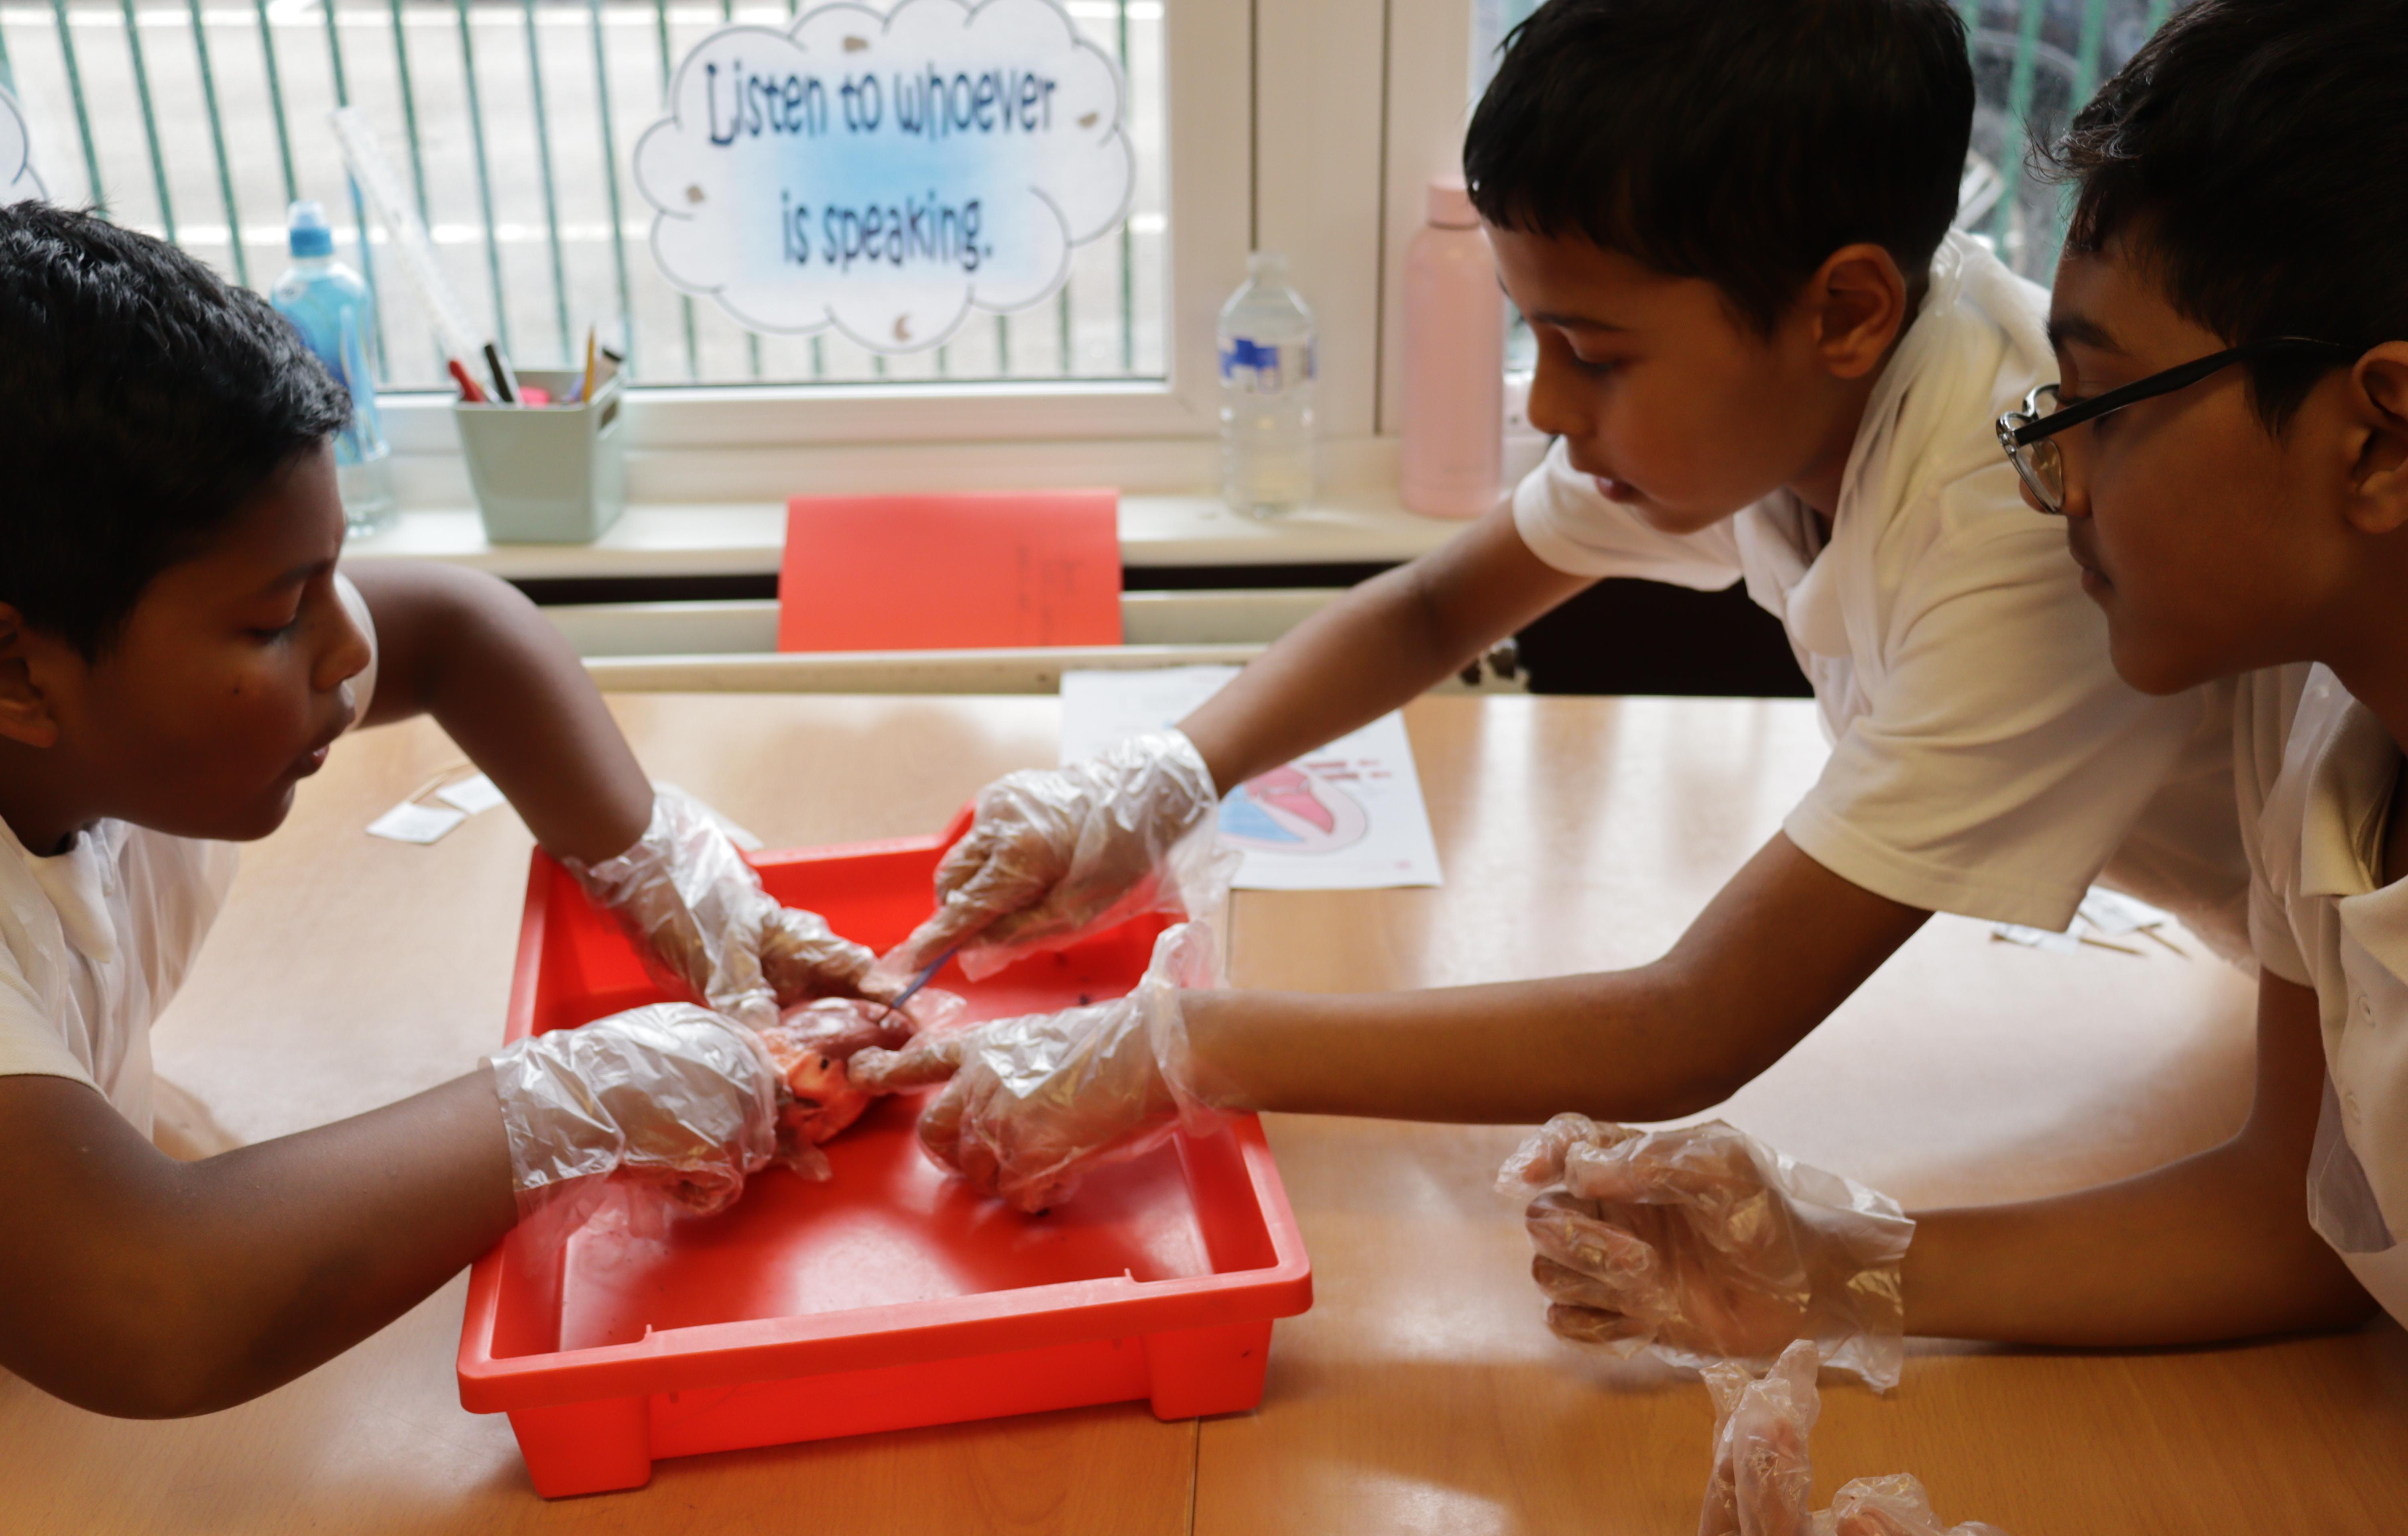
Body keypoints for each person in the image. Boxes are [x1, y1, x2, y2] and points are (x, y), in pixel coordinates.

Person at [849, 0, 2243, 1213]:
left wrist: (1181, 1048)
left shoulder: (2016, 526)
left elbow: (1690, 1026)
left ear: (1844, 312)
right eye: (1539, 336)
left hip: (2289, 947)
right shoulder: (1776, 404)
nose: (1550, 408)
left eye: (1592, 351)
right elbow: (1431, 612)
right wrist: (1158, 780)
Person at [1506, 1, 2406, 1536]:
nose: (2054, 482)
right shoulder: (2318, 714)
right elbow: (2301, 1222)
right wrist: (1824, 1273)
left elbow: (1686, 1019)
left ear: (2381, 439)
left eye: (2102, 407)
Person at [0, 203, 878, 1418]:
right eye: (277, 619)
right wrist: (583, 1096)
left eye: (332, 576)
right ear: (18, 671)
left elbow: (466, 633)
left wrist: (662, 871)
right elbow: (154, 1303)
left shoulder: (106, 713)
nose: (348, 646)